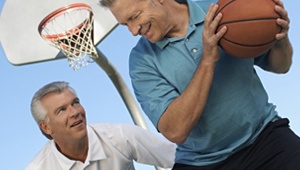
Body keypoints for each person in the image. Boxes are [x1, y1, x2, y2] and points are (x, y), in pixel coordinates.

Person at [100, 0, 300, 169]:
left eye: (134, 17)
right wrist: (207, 59)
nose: (133, 31)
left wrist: (280, 38)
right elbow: (175, 131)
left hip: (265, 137)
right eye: (125, 24)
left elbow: (281, 66)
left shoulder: (220, 11)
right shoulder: (141, 61)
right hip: (202, 162)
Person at [26, 81, 176, 170]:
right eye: (62, 110)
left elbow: (182, 158)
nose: (74, 112)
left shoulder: (119, 136)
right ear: (46, 127)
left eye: (75, 103)